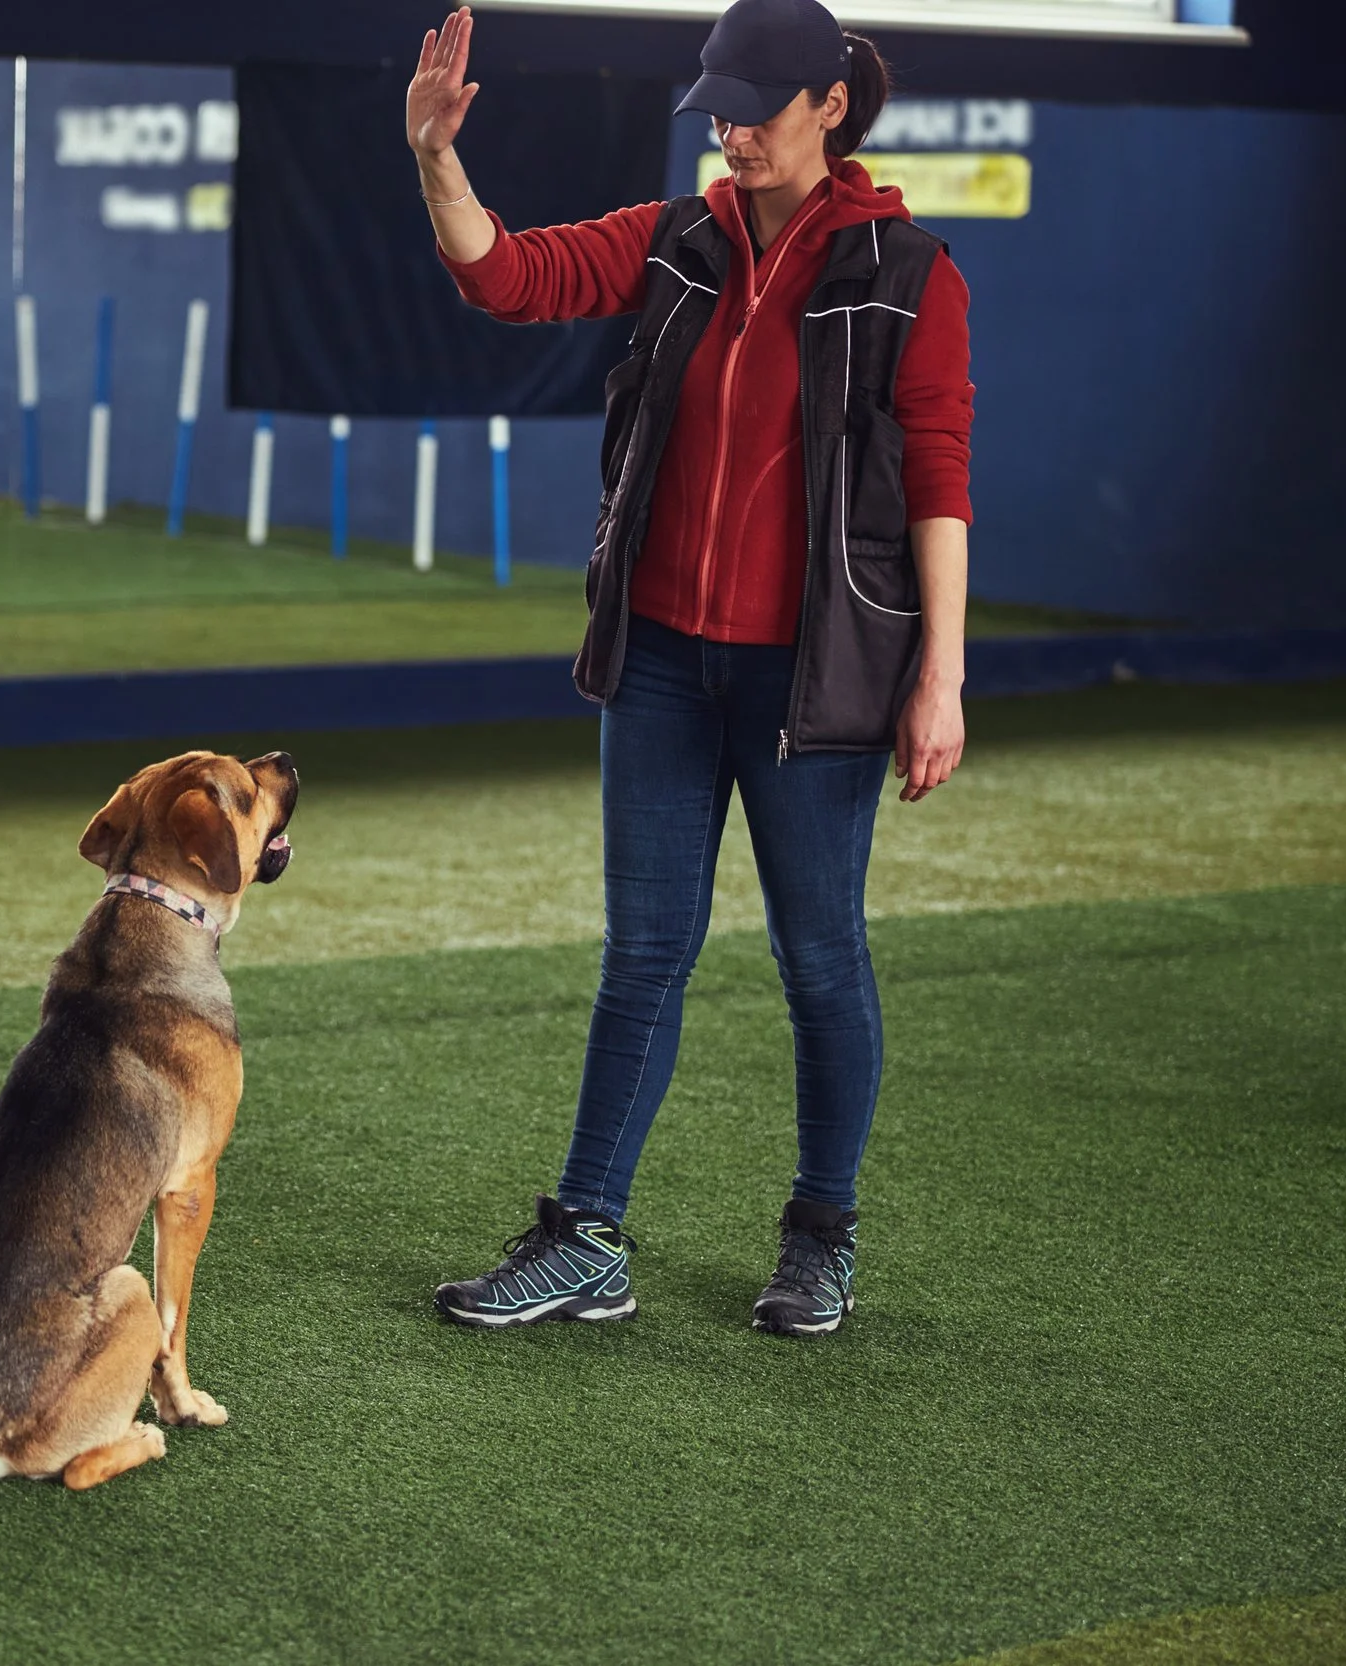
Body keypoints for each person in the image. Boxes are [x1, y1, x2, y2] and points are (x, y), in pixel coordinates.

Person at [412, 0, 974, 1335]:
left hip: (813, 683)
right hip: (662, 662)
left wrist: (941, 673)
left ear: (830, 106)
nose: (731, 135)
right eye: (718, 110)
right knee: (643, 955)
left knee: (819, 959)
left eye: (758, 110)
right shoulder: (678, 244)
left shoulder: (910, 271)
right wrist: (437, 156)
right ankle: (586, 1237)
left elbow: (941, 476)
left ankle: (819, 1233)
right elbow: (506, 276)